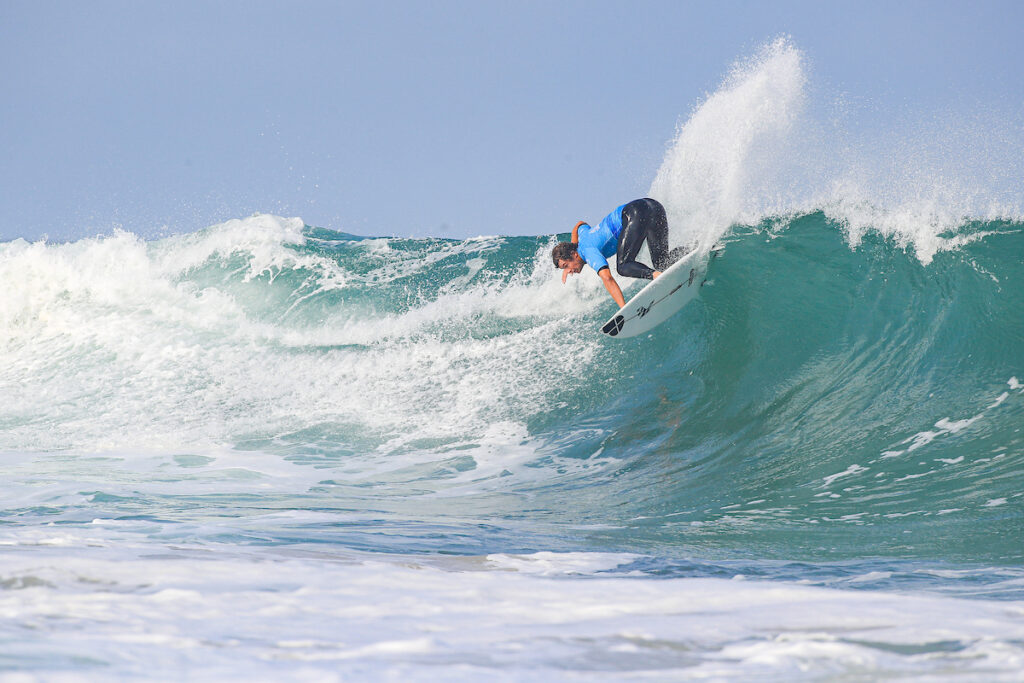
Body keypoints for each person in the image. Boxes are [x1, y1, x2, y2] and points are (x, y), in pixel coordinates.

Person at [552, 197, 681, 308]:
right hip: (652, 206)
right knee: (663, 262)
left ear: (574, 254)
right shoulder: (583, 235)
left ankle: (658, 277)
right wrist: (573, 244)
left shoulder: (588, 252)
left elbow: (607, 278)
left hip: (634, 214)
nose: (568, 272)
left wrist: (624, 310)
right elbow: (579, 224)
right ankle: (694, 247)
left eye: (566, 266)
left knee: (623, 266)